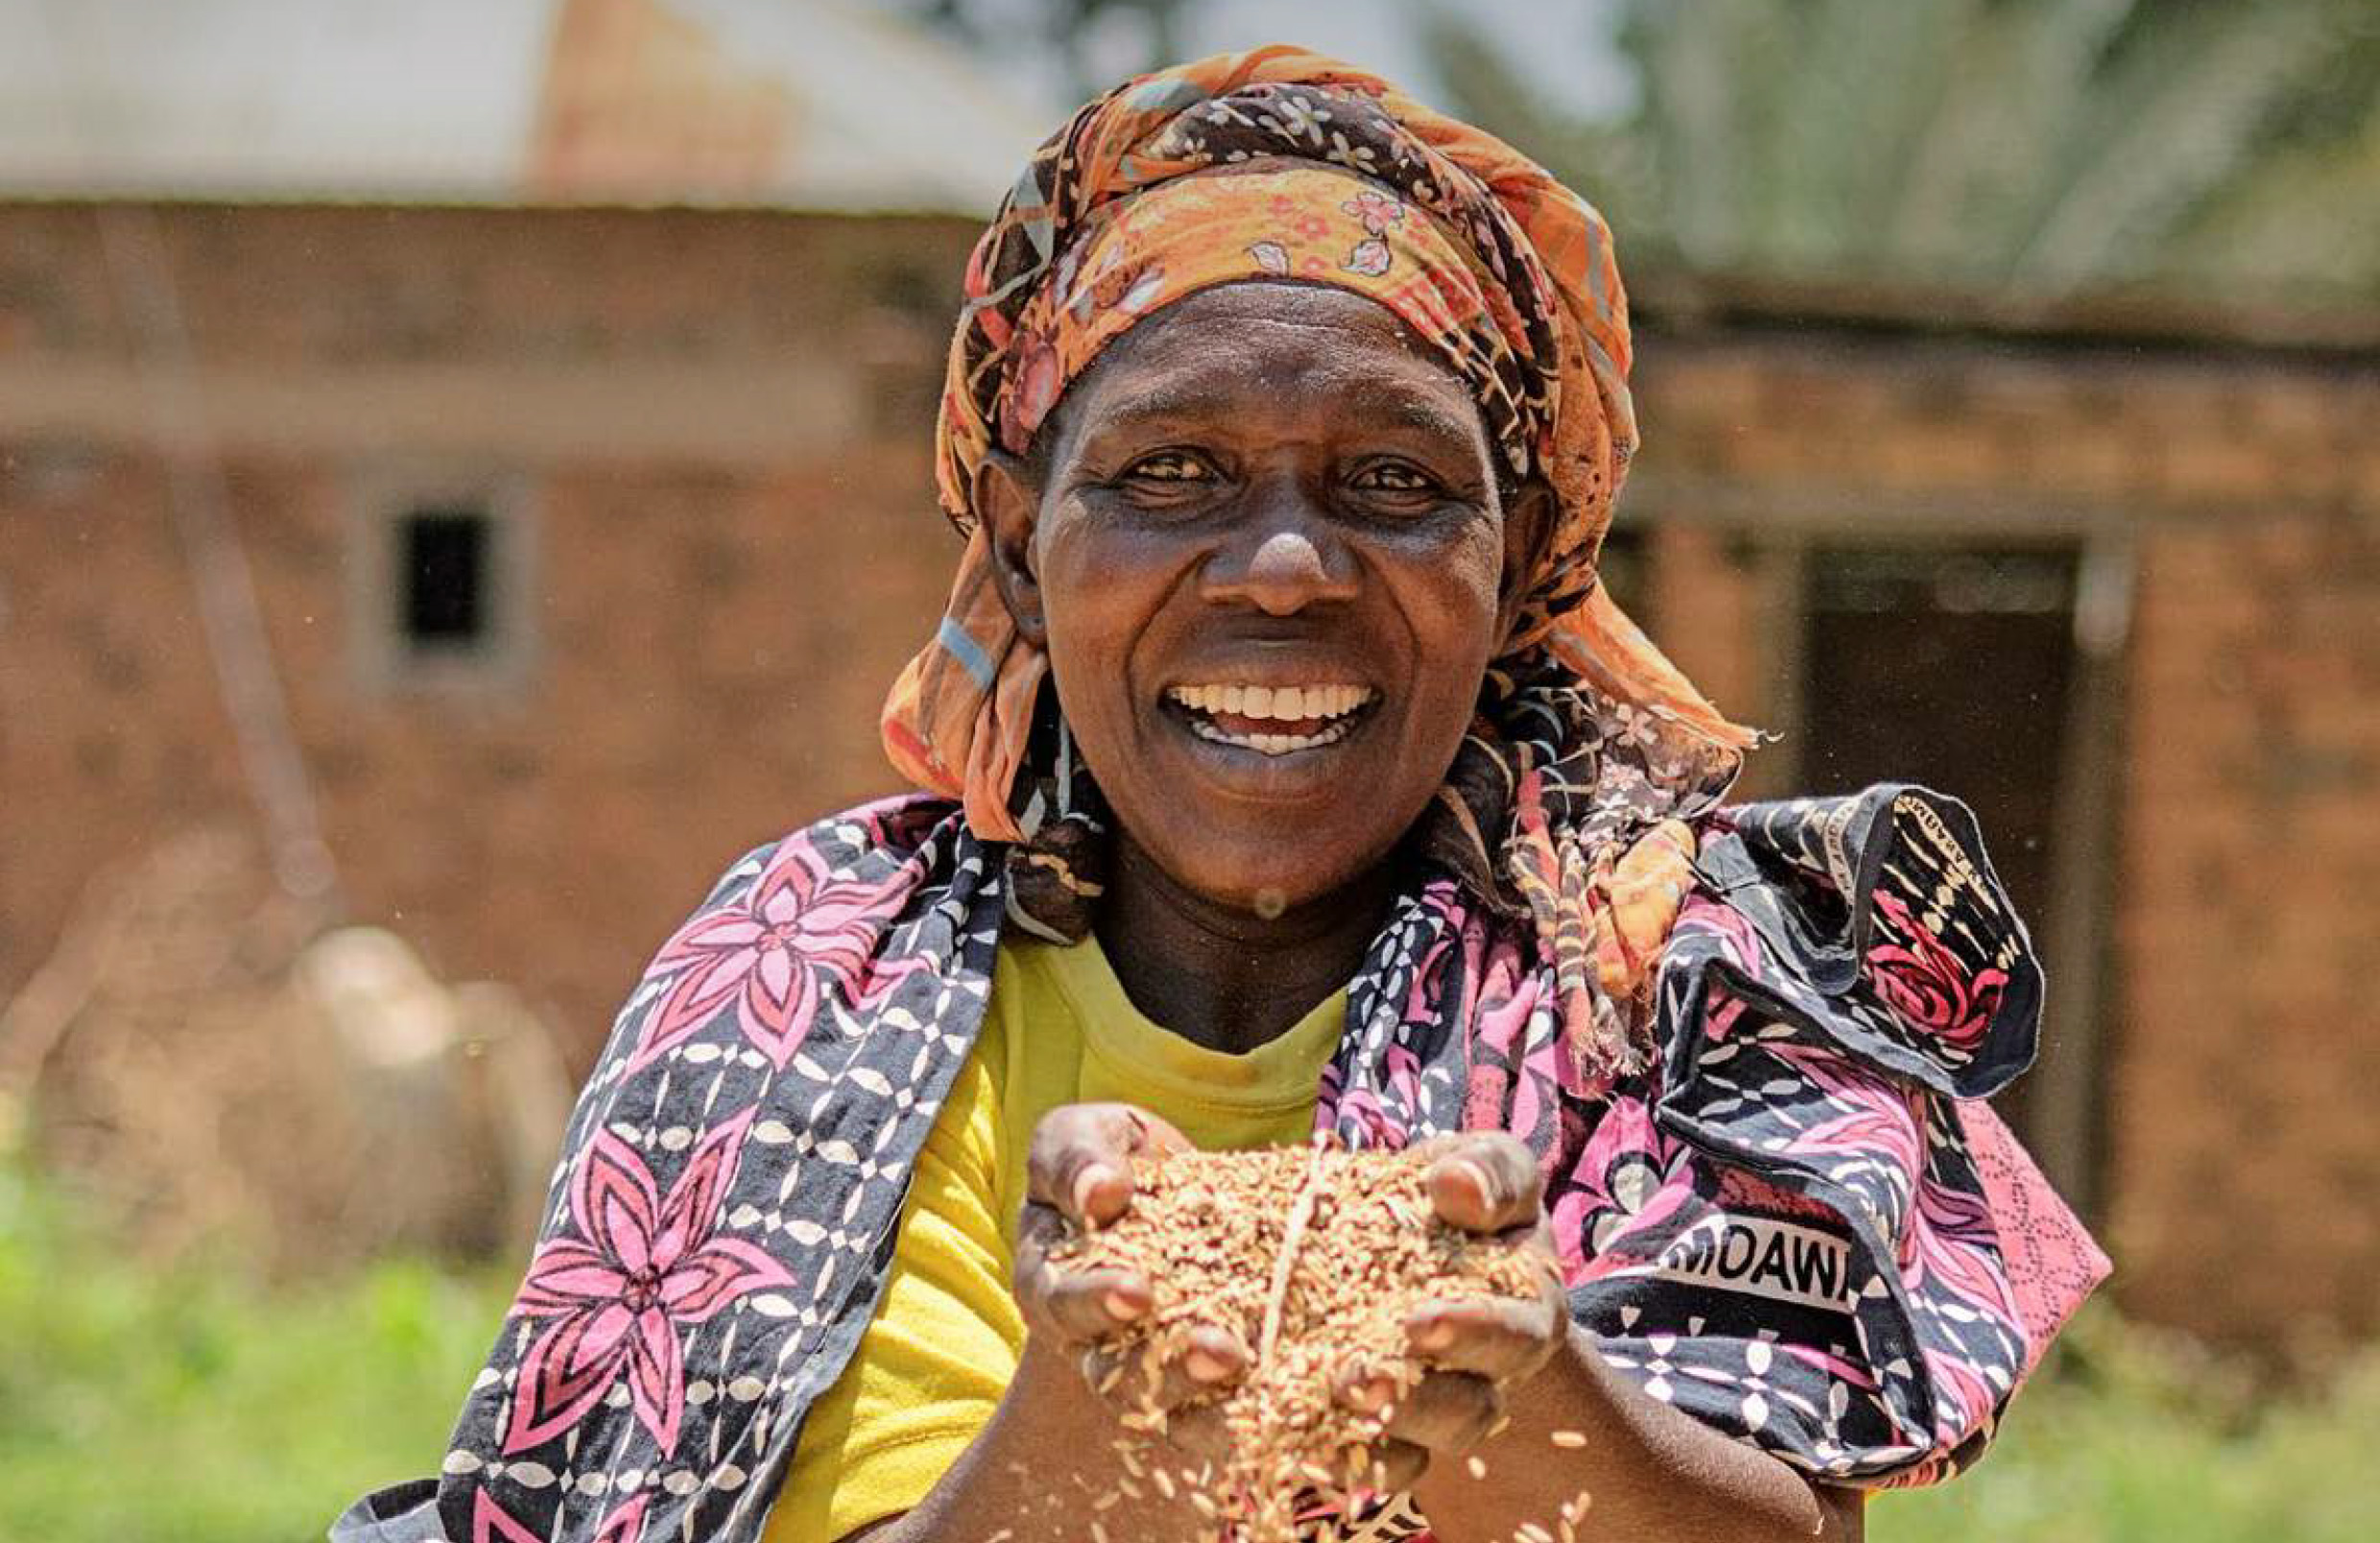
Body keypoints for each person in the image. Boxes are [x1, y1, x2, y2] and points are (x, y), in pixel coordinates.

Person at [333, 45, 2107, 1543]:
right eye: (1168, 472)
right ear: (1025, 556)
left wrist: (1502, 1380)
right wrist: (1097, 1423)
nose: (1279, 568)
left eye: (1394, 482)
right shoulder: (807, 989)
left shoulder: (1675, 985)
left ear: (1521, 573)